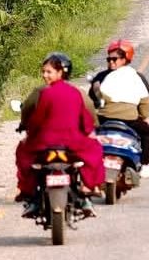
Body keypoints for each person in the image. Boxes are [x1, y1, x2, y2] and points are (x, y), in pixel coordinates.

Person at [16, 52, 105, 215]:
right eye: (44, 71)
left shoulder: (45, 93)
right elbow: (86, 118)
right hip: (73, 141)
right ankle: (88, 186)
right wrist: (90, 132)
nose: (45, 75)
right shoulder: (76, 92)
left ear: (60, 73)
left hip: (46, 142)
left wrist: (30, 133)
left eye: (48, 72)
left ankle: (28, 192)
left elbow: (36, 119)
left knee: (23, 152)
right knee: (95, 151)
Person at [89, 38, 149, 178]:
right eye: (109, 59)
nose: (111, 62)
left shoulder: (101, 77)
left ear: (125, 59)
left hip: (103, 117)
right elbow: (147, 102)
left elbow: (91, 99)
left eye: (115, 59)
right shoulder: (136, 76)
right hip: (129, 119)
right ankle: (145, 165)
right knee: (147, 131)